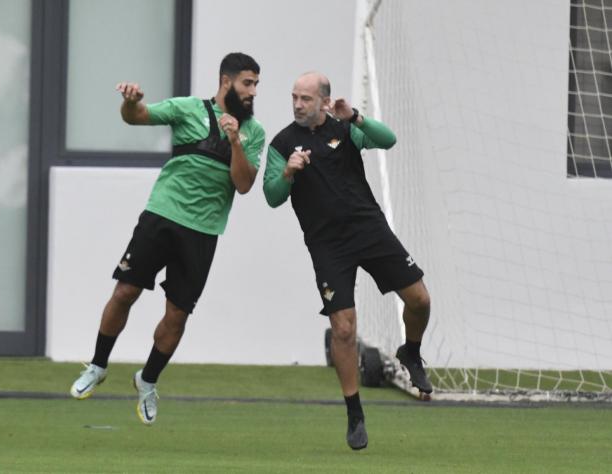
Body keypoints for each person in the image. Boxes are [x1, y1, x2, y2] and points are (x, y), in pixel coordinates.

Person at [70, 53, 265, 426]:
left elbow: (243, 185)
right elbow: (137, 117)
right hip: (161, 216)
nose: (254, 91)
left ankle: (147, 381)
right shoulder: (187, 108)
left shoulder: (253, 132)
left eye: (256, 84)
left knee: (177, 315)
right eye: (248, 83)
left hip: (204, 232)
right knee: (125, 292)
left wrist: (235, 141)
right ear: (226, 82)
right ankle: (97, 365)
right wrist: (130, 102)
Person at [263, 72, 432, 450]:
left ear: (324, 101)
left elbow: (388, 140)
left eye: (305, 98)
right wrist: (289, 172)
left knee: (420, 299)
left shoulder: (345, 128)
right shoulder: (282, 143)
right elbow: (272, 196)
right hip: (327, 246)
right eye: (294, 97)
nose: (297, 104)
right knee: (343, 328)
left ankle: (412, 352)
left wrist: (354, 115)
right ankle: (354, 412)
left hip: (369, 230)